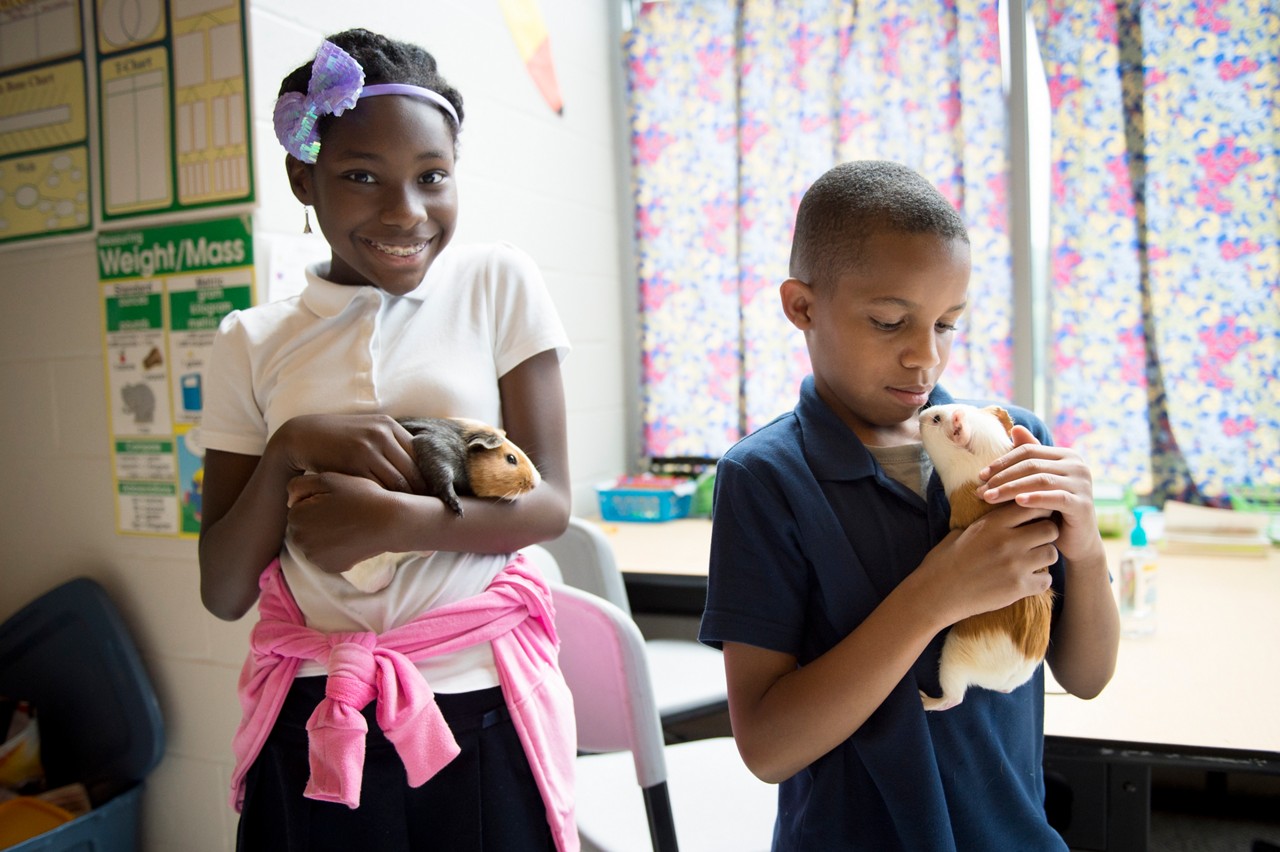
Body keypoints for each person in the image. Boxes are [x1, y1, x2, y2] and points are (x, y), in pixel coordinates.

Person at [197, 29, 576, 852]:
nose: (406, 212)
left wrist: (397, 523)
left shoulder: (497, 281)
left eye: (432, 177)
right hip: (318, 705)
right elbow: (224, 589)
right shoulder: (249, 341)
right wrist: (289, 446)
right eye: (361, 177)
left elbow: (549, 505)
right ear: (306, 177)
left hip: (479, 700)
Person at [698, 160, 1120, 850]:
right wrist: (936, 594)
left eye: (948, 324)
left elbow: (1087, 675)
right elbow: (769, 748)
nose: (925, 358)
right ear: (802, 306)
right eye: (891, 322)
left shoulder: (1010, 441)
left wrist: (1085, 544)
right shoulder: (764, 478)